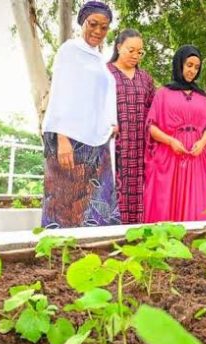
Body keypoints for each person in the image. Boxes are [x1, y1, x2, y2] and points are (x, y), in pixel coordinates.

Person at [40, 1, 120, 228]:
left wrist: (109, 124)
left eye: (104, 27)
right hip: (70, 139)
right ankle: (58, 255)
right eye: (93, 24)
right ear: (82, 22)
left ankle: (92, 255)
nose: (98, 31)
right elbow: (61, 93)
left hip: (96, 141)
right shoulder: (70, 51)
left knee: (98, 203)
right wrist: (62, 138)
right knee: (65, 202)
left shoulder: (97, 58)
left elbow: (97, 96)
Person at [143, 45, 206, 222]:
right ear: (179, 64)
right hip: (169, 155)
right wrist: (171, 141)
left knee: (195, 204)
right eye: (189, 65)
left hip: (195, 157)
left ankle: (192, 245)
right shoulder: (163, 94)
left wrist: (202, 142)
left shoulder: (202, 97)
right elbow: (151, 127)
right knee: (165, 202)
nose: (192, 71)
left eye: (197, 67)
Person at [108, 29, 155, 224]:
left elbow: (154, 111)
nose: (136, 55)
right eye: (131, 50)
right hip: (113, 146)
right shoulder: (105, 73)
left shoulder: (146, 78)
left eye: (140, 52)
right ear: (119, 47)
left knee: (140, 192)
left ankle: (137, 237)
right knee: (113, 190)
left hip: (140, 148)